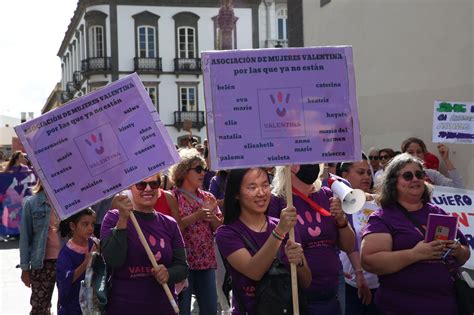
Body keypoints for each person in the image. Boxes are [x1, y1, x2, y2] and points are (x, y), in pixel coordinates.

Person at [361, 153, 470, 314]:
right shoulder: (383, 217)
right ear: (393, 182)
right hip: (401, 307)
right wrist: (415, 254)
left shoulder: (438, 212)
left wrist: (456, 249)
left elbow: (465, 254)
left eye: (419, 174)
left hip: (446, 305)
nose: (415, 179)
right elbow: (369, 261)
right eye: (407, 175)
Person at [216, 167, 312, 314]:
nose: (261, 193)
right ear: (236, 193)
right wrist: (279, 231)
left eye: (265, 185)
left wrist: (299, 262)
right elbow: (254, 271)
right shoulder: (227, 233)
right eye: (252, 187)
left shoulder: (286, 226)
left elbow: (306, 281)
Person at [269, 164, 356, 315]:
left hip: (332, 292)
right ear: (289, 166)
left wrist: (341, 220)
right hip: (298, 298)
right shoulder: (278, 201)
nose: (312, 164)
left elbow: (348, 246)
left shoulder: (327, 195)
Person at [100, 174, 188, 315]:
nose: (148, 189)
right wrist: (123, 220)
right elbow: (113, 261)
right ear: (130, 188)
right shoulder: (113, 218)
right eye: (141, 184)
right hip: (124, 308)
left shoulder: (170, 223)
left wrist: (168, 273)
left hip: (163, 308)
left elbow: (183, 267)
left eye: (154, 184)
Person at [169, 148, 223, 315]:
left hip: (205, 261)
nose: (203, 173)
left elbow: (219, 228)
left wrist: (211, 217)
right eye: (198, 169)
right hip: (182, 264)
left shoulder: (208, 197)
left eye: (204, 169)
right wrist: (198, 215)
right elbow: (174, 228)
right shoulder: (173, 197)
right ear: (184, 171)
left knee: (210, 310)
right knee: (183, 310)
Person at [339, 156, 381, 315]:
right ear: (345, 175)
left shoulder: (381, 205)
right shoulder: (336, 204)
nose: (366, 177)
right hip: (348, 284)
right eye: (360, 172)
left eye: (368, 173)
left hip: (379, 285)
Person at [19, 181, 61, 315]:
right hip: (42, 264)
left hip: (67, 261)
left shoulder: (70, 200)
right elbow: (25, 238)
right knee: (40, 308)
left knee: (69, 306)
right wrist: (25, 269)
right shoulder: (31, 203)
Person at [56, 208, 97, 315]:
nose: (90, 228)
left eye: (92, 224)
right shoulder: (66, 253)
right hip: (73, 306)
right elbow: (65, 281)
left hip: (92, 304)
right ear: (73, 226)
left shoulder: (94, 244)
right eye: (85, 224)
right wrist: (86, 262)